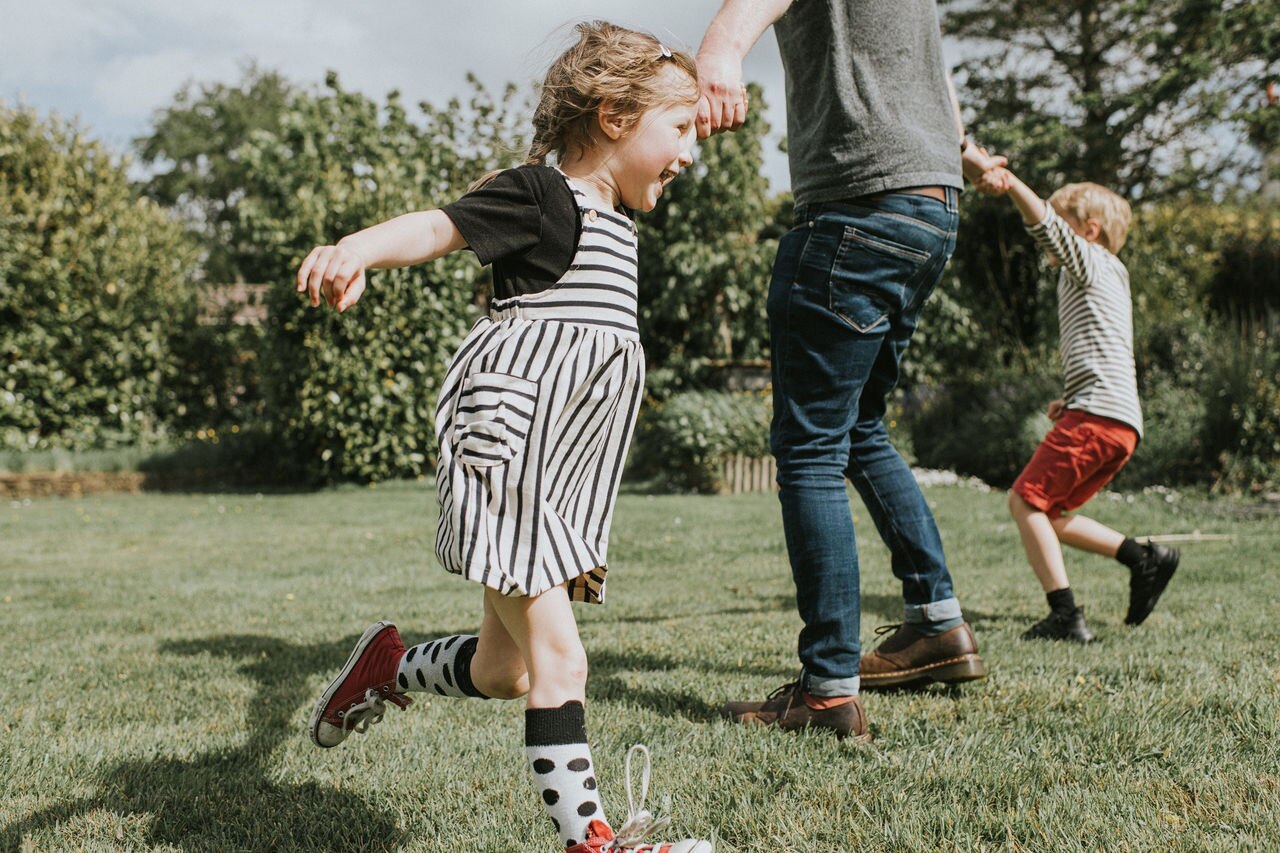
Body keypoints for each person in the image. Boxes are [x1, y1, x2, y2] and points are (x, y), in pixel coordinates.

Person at [296, 22, 712, 852]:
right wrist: (355, 251)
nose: (692, 153)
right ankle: (591, 839)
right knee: (562, 662)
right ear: (614, 116)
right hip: (508, 457)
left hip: (552, 478)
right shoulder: (540, 195)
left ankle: (383, 667)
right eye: (682, 128)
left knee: (504, 670)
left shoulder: (616, 224)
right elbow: (438, 226)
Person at [696, 0, 1004, 742]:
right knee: (859, 424)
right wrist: (955, 146)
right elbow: (936, 82)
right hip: (930, 204)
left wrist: (720, 47)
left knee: (809, 448)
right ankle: (937, 624)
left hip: (858, 201)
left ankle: (828, 688)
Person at [975, 164, 1180, 643]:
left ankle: (1065, 614)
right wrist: (1071, 399)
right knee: (1050, 514)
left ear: (1089, 231)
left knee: (1025, 501)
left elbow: (1043, 224)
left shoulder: (1088, 259)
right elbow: (1105, 347)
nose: (1054, 236)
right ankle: (1142, 557)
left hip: (1097, 416)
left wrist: (1011, 186)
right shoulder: (1112, 275)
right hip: (1119, 421)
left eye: (1065, 220)